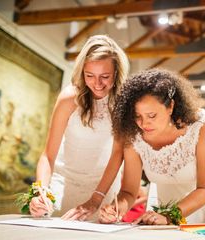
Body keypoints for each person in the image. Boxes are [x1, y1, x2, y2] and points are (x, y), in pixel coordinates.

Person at [99, 68, 205, 225]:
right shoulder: (133, 134)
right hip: (168, 201)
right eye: (137, 116)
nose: (144, 124)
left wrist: (170, 216)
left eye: (152, 115)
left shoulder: (201, 125)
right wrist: (115, 209)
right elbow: (129, 192)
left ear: (170, 106)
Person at [28, 35, 129, 219]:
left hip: (103, 187)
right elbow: (48, 155)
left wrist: (96, 199)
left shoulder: (123, 103)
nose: (97, 84)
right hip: (64, 183)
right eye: (89, 75)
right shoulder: (69, 99)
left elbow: (117, 155)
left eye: (105, 77)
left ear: (116, 73)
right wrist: (40, 190)